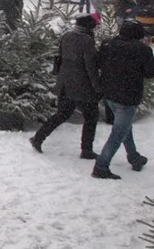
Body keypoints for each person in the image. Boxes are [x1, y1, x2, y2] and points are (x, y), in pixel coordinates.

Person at [91, 20, 154, 179]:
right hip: (128, 95)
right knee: (118, 132)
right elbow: (151, 72)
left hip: (109, 92)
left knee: (124, 126)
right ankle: (101, 165)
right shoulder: (142, 49)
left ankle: (134, 158)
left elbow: (98, 62)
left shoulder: (108, 44)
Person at [31, 15, 101, 158]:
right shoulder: (87, 40)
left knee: (62, 114)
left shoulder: (67, 36)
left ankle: (38, 137)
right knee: (91, 116)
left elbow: (61, 57)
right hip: (82, 85)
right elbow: (90, 66)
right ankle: (86, 149)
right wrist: (97, 86)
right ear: (89, 27)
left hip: (65, 83)